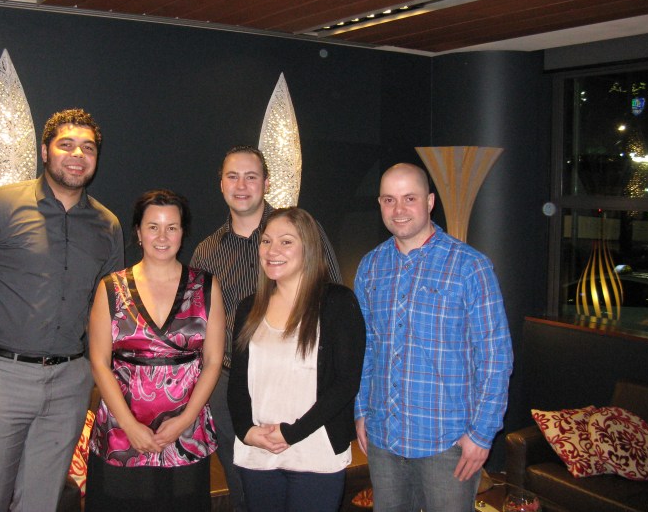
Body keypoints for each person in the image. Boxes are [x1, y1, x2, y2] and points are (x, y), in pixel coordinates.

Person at [0, 108, 125, 511]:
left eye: (88, 147)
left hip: (69, 383)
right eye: (66, 144)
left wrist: (92, 369)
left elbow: (111, 309)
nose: (77, 154)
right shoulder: (0, 206)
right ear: (44, 150)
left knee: (41, 503)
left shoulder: (108, 225)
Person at [353, 163, 513, 512]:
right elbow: (365, 349)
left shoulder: (470, 266)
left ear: (429, 202)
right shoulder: (370, 267)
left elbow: (496, 357)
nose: (398, 210)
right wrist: (362, 409)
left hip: (448, 443)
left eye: (409, 198)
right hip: (384, 438)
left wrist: (482, 435)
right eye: (389, 199)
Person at [191, 145, 342, 511]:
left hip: (302, 382)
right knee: (246, 490)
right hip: (232, 389)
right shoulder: (206, 253)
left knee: (307, 487)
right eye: (232, 176)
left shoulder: (301, 231)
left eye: (251, 176)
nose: (241, 185)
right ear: (221, 183)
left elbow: (333, 304)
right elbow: (197, 330)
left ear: (267, 183)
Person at [85, 189, 225, 512]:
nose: (162, 236)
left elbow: (213, 360)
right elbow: (99, 362)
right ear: (138, 232)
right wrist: (130, 426)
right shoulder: (111, 288)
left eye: (172, 227)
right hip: (121, 432)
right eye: (153, 226)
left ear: (183, 232)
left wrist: (185, 420)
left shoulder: (205, 286)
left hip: (185, 434)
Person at [228, 207, 365, 512]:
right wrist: (246, 431)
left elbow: (346, 383)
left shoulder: (337, 303)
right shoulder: (248, 307)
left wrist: (292, 433)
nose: (273, 250)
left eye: (286, 242)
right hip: (258, 452)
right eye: (266, 242)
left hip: (314, 450)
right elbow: (237, 382)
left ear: (309, 248)